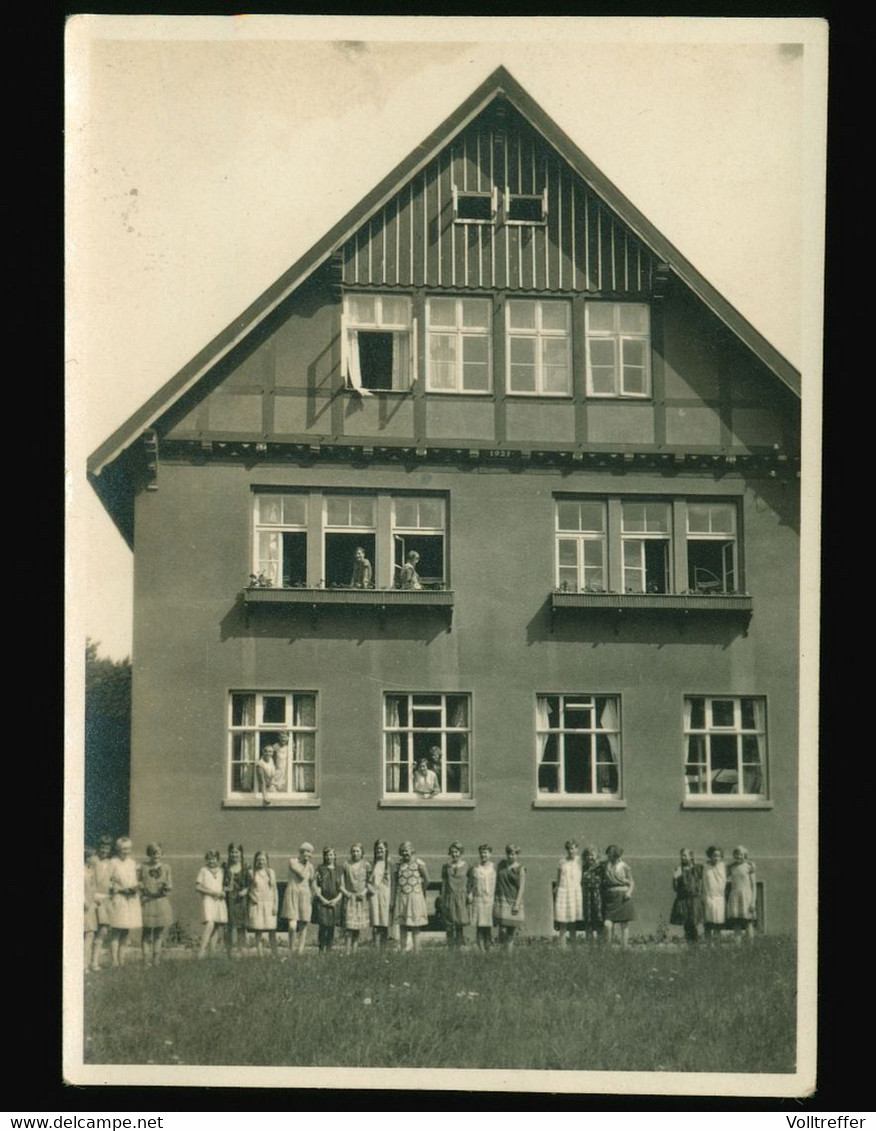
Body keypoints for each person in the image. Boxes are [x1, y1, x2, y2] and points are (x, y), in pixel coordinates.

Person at [108, 836, 142, 967]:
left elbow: (137, 880)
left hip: (131, 899)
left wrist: (135, 888)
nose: (126, 851)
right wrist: (120, 889)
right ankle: (114, 961)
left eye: (128, 849)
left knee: (126, 930)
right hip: (118, 899)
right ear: (117, 849)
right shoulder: (113, 863)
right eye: (123, 849)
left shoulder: (133, 863)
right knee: (117, 929)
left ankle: (121, 960)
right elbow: (108, 882)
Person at [139, 842, 173, 967]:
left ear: (162, 854)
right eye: (153, 853)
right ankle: (145, 961)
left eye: (158, 853)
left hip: (160, 901)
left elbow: (169, 884)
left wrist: (166, 888)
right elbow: (139, 882)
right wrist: (143, 889)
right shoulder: (143, 867)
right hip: (147, 901)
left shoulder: (166, 867)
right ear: (149, 854)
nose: (156, 856)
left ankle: (156, 960)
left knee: (159, 932)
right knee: (147, 932)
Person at [392, 841, 430, 953]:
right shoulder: (398, 865)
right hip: (402, 897)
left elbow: (427, 880)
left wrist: (420, 891)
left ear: (412, 851)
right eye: (403, 851)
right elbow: (395, 881)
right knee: (402, 925)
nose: (405, 853)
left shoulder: (419, 863)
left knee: (415, 925)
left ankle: (416, 950)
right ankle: (403, 949)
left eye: (407, 851)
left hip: (415, 897)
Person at [280, 842, 315, 956]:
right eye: (306, 852)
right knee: (292, 925)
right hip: (293, 893)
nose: (308, 855)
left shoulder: (311, 866)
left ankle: (300, 950)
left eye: (310, 853)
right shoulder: (293, 862)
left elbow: (312, 881)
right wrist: (307, 864)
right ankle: (291, 948)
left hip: (305, 894)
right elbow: (302, 875)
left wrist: (314, 894)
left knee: (304, 923)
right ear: (300, 852)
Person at [341, 842, 372, 954]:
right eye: (353, 851)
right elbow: (341, 883)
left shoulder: (366, 865)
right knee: (349, 927)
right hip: (350, 898)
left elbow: (369, 882)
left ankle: (354, 951)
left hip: (360, 899)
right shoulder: (346, 865)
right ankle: (347, 951)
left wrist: (364, 892)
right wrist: (346, 893)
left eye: (357, 851)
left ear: (362, 853)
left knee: (357, 927)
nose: (355, 853)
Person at [196, 849, 228, 959]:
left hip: (219, 900)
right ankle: (201, 951)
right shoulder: (203, 870)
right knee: (210, 923)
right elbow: (198, 887)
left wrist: (223, 892)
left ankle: (212, 954)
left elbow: (224, 885)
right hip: (208, 899)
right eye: (209, 859)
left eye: (214, 858)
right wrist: (212, 892)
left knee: (216, 925)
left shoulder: (222, 871)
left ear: (217, 859)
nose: (212, 861)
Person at [601, 844, 635, 947]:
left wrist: (629, 892)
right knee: (607, 924)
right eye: (609, 854)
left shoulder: (624, 866)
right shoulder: (605, 865)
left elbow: (632, 882)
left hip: (623, 897)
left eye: (613, 855)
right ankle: (608, 948)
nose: (610, 857)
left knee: (624, 924)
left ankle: (624, 948)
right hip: (610, 896)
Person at [494, 845, 526, 949]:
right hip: (502, 901)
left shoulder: (521, 869)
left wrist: (517, 904)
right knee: (502, 929)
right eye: (509, 854)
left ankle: (509, 955)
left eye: (513, 854)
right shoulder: (501, 865)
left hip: (513, 901)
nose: (510, 856)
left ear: (517, 855)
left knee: (511, 930)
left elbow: (521, 887)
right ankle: (502, 952)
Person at [248, 851, 279, 958]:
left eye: (263, 859)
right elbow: (248, 889)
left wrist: (276, 905)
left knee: (272, 931)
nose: (261, 862)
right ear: (255, 861)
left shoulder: (270, 872)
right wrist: (253, 898)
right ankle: (260, 956)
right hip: (257, 905)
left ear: (267, 861)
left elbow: (275, 890)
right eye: (259, 859)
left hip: (269, 904)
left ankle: (275, 954)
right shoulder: (251, 872)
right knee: (258, 931)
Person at [89, 836, 114, 971]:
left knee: (103, 931)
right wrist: (93, 896)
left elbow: (113, 880)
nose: (104, 850)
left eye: (107, 848)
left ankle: (95, 962)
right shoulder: (93, 860)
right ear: (98, 847)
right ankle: (87, 962)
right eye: (102, 847)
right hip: (92, 898)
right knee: (90, 930)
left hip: (105, 899)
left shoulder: (111, 863)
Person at [670, 847, 703, 945]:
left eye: (685, 855)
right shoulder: (679, 869)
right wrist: (675, 878)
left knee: (694, 924)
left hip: (694, 900)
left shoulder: (698, 868)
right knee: (686, 925)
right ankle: (690, 947)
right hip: (683, 900)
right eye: (681, 856)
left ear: (691, 856)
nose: (682, 858)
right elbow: (675, 888)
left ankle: (695, 947)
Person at [312, 846, 343, 953]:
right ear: (324, 856)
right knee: (323, 926)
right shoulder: (320, 869)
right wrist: (322, 899)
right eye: (327, 855)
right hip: (323, 902)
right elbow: (316, 885)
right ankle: (321, 949)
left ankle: (329, 949)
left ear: (335, 856)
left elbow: (341, 887)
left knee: (331, 927)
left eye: (331, 854)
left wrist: (336, 899)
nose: (329, 857)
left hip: (335, 902)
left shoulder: (339, 870)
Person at [467, 844, 497, 951]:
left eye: (485, 852)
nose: (483, 855)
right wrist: (469, 893)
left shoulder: (494, 867)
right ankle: (481, 950)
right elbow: (470, 882)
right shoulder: (475, 867)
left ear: (490, 854)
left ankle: (488, 947)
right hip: (478, 899)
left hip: (490, 899)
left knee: (488, 926)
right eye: (481, 852)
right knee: (479, 926)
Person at [440, 841, 469, 948]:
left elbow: (471, 882)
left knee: (459, 925)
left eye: (456, 852)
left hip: (461, 898)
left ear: (461, 852)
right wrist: (443, 899)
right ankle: (451, 949)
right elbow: (444, 883)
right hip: (449, 897)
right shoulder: (446, 866)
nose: (454, 854)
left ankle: (458, 949)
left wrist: (469, 894)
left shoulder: (466, 866)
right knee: (449, 926)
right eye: (452, 852)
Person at [554, 840, 583, 948]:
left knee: (573, 921)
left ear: (577, 849)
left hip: (575, 892)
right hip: (564, 892)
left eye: (573, 848)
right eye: (569, 848)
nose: (571, 851)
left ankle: (574, 946)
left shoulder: (580, 861)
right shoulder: (562, 862)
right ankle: (562, 946)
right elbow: (558, 877)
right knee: (563, 920)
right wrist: (557, 887)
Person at [726, 845, 757, 944]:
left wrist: (753, 902)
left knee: (748, 922)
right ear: (734, 855)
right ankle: (737, 947)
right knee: (737, 923)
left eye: (741, 854)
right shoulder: (732, 867)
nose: (739, 856)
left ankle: (750, 947)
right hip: (735, 896)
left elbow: (754, 886)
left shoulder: (749, 867)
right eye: (737, 854)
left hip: (746, 897)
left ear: (745, 855)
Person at [223, 843, 250, 957]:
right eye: (232, 852)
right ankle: (229, 951)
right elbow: (220, 882)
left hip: (241, 898)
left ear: (241, 854)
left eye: (236, 852)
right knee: (228, 925)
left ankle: (240, 950)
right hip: (228, 899)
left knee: (241, 925)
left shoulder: (245, 867)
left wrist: (246, 890)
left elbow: (252, 883)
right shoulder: (225, 867)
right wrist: (224, 888)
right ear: (229, 854)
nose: (234, 854)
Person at [367, 839, 392, 950]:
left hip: (386, 895)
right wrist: (370, 888)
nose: (379, 851)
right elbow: (366, 881)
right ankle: (375, 948)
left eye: (381, 848)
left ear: (386, 849)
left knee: (384, 922)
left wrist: (392, 900)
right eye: (377, 849)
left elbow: (394, 883)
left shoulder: (390, 864)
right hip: (374, 895)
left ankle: (384, 949)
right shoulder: (372, 864)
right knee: (376, 923)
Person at [702, 845, 727, 944]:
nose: (716, 858)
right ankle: (709, 945)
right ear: (710, 856)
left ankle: (717, 945)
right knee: (708, 924)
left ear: (721, 857)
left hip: (719, 898)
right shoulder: (705, 867)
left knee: (718, 924)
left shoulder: (723, 866)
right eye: (714, 855)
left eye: (718, 856)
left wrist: (750, 864)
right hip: (708, 897)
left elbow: (737, 864)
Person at [578, 845, 604, 944]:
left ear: (597, 856)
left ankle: (600, 944)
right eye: (587, 855)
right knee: (588, 919)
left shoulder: (601, 867)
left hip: (598, 896)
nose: (590, 857)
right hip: (586, 896)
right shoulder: (583, 868)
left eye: (592, 855)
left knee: (598, 919)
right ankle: (589, 943)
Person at [84, 848, 102, 972]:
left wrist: (98, 900)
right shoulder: (81, 871)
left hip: (90, 907)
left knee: (90, 935)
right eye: (94, 856)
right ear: (88, 857)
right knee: (86, 935)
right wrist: (84, 902)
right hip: (84, 908)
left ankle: (86, 964)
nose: (96, 859)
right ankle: (83, 966)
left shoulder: (91, 871)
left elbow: (93, 890)